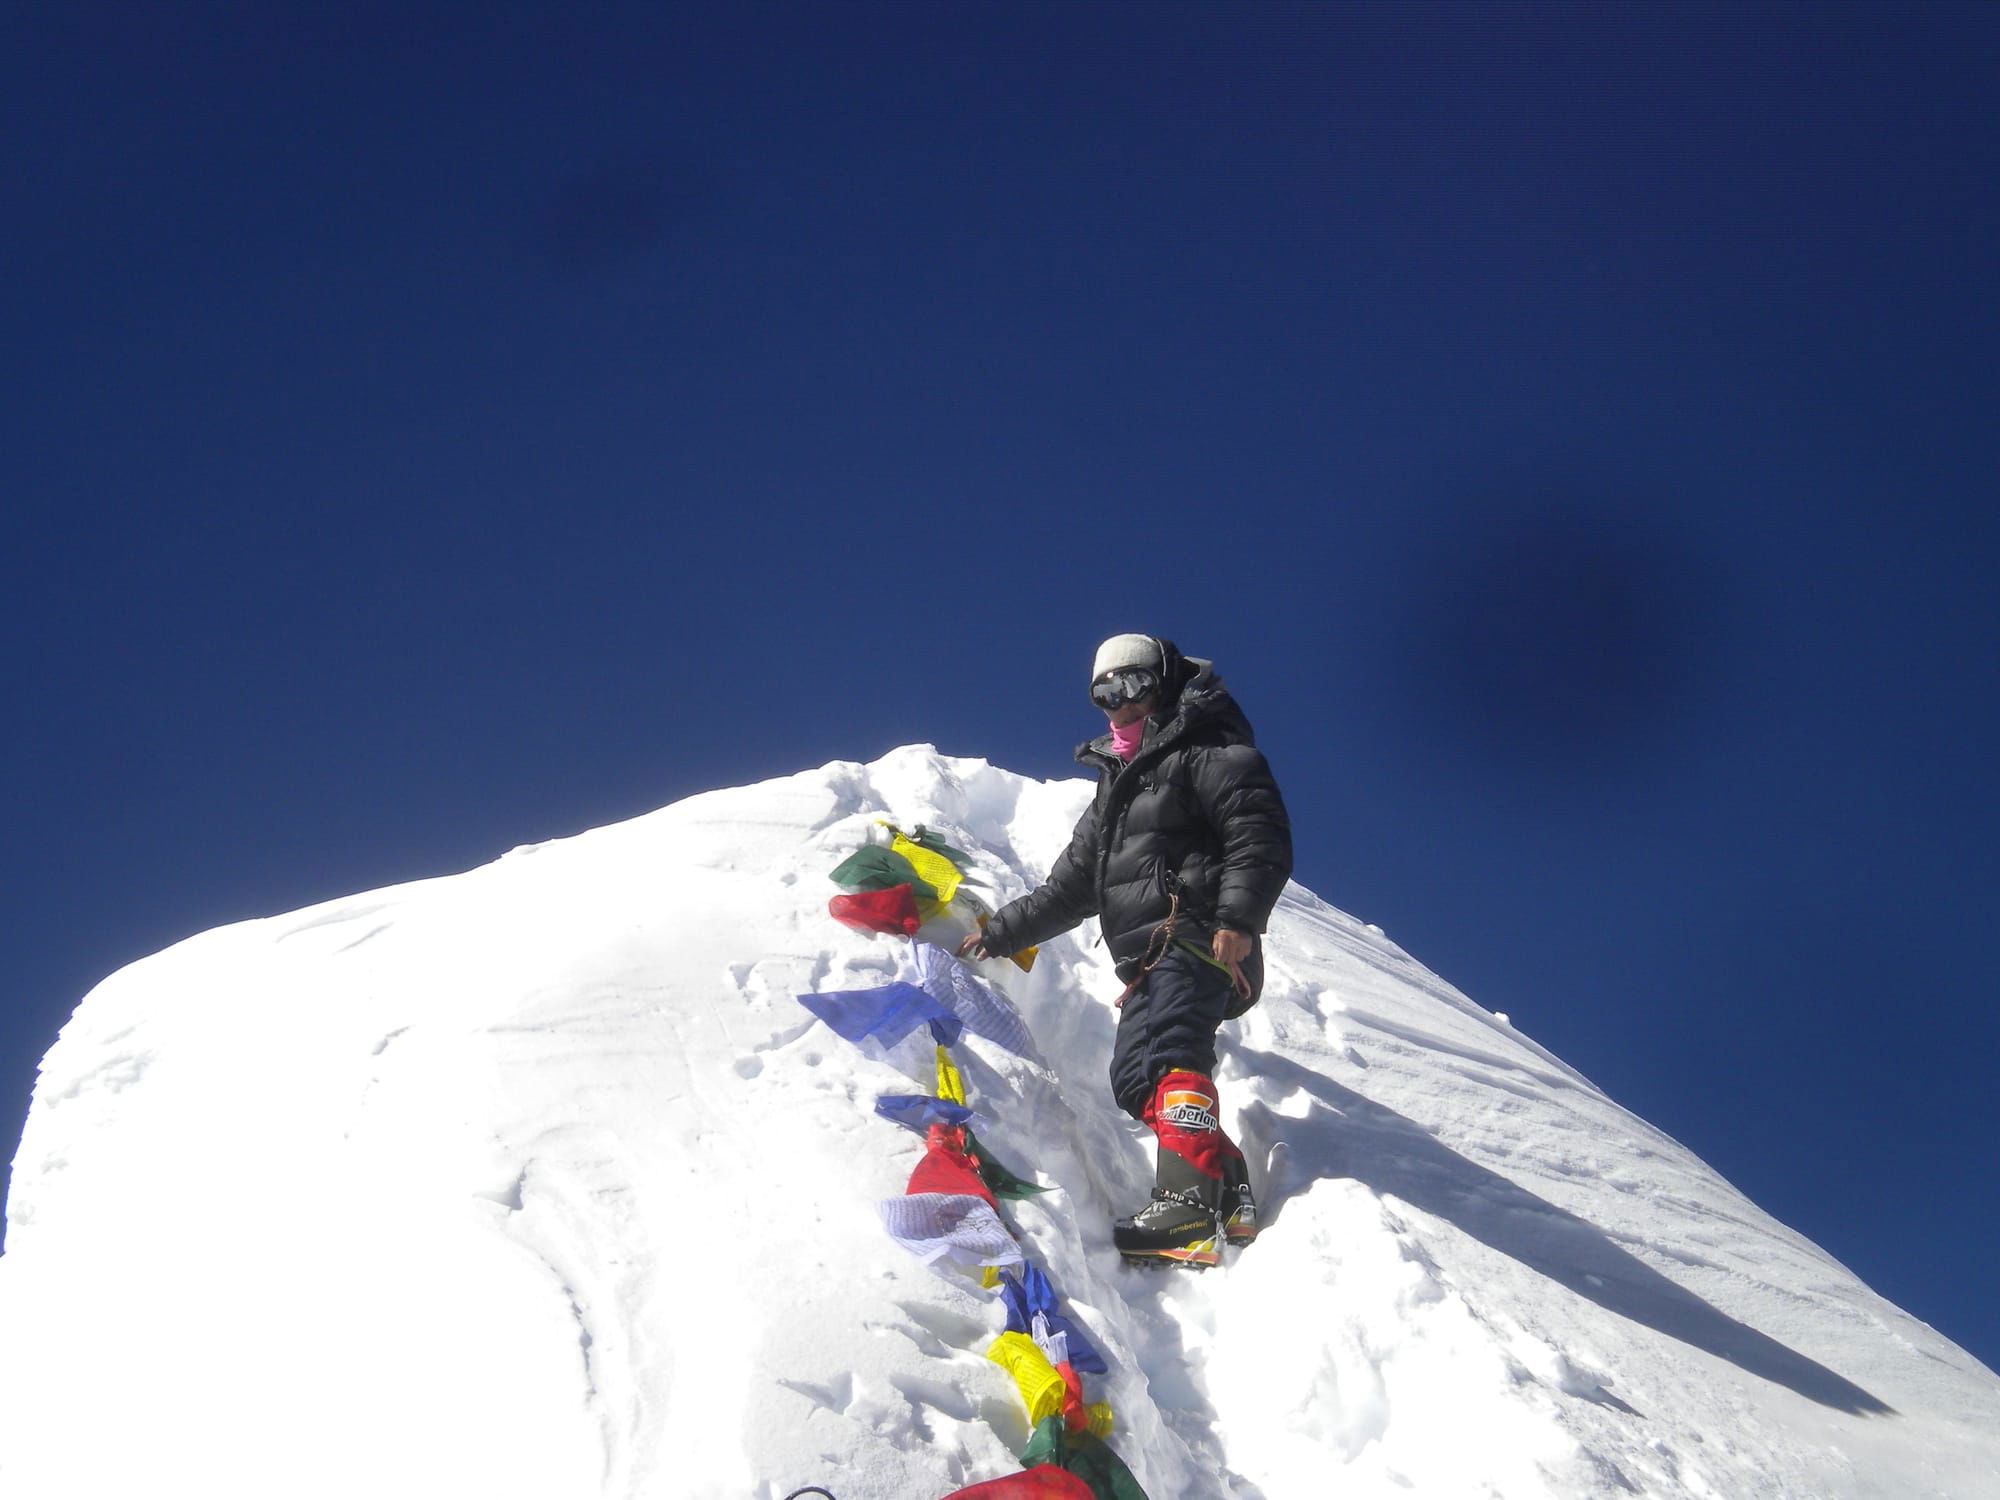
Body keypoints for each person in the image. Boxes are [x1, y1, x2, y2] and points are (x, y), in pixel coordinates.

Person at [960, 635, 1293, 1267]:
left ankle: (1188, 1211)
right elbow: (1068, 889)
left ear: (1163, 682)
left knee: (1172, 1051)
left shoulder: (1209, 753)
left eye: (1131, 686)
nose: (1117, 703)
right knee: (1136, 1079)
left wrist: (1237, 919)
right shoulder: (1114, 796)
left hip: (1198, 933)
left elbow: (1259, 833)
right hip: (1146, 959)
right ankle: (1226, 1189)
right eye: (1103, 693)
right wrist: (999, 933)